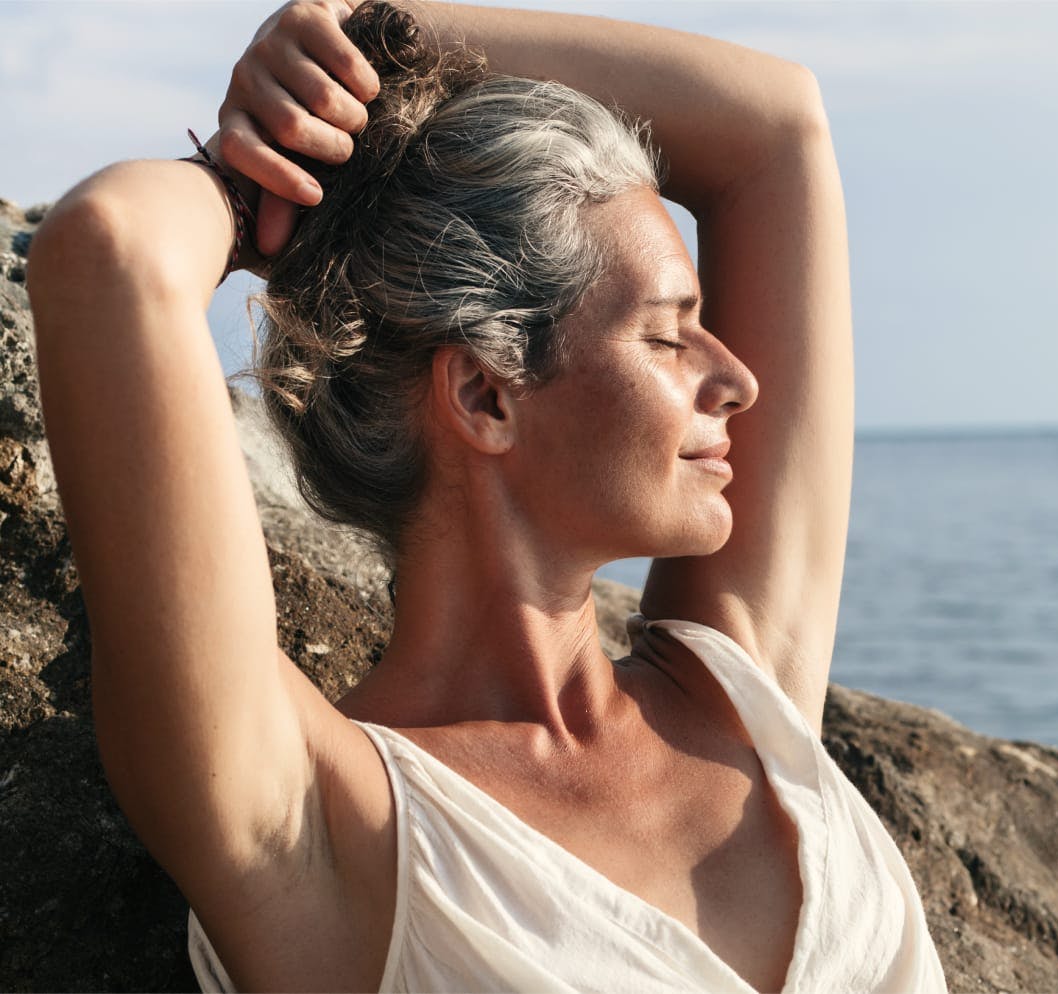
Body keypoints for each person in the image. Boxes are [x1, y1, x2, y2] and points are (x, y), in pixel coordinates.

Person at [27, 1, 946, 991]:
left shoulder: (741, 695)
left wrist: (372, 39)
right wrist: (257, 185)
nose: (737, 380)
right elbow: (108, 250)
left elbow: (777, 125)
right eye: (666, 333)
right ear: (484, 394)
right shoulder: (321, 826)